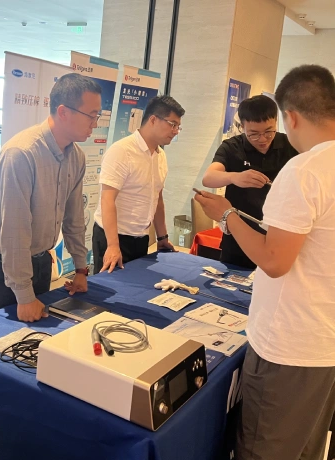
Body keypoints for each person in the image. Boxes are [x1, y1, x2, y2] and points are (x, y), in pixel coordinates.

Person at [195, 65, 335, 460]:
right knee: (305, 446)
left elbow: (274, 261)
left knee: (266, 448)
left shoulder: (304, 169)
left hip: (290, 345)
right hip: (324, 340)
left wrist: (226, 215)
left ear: (289, 117)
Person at [0, 73, 102, 322]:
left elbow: (74, 217)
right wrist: (24, 296)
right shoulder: (21, 154)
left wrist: (80, 268)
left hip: (40, 259)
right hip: (1, 263)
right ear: (63, 112)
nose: (94, 124)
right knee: (3, 340)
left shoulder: (76, 157)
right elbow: (14, 231)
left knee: (39, 335)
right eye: (91, 115)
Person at [202, 95, 298, 268]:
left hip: (279, 239)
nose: (262, 139)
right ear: (242, 126)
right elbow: (208, 178)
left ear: (276, 122)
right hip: (238, 239)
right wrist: (234, 177)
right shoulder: (232, 147)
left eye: (269, 131)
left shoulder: (291, 144)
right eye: (253, 134)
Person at [92, 96, 184, 274]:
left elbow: (157, 198)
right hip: (113, 237)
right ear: (153, 119)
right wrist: (113, 246)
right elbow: (107, 199)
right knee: (107, 290)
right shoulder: (122, 151)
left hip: (141, 238)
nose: (175, 131)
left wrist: (162, 237)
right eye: (172, 124)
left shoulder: (160, 156)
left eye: (178, 126)